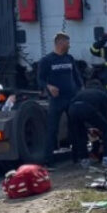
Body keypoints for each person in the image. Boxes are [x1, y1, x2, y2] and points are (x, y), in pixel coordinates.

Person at [38, 32, 83, 164]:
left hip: (71, 98)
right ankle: (49, 160)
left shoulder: (69, 58)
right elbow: (40, 79)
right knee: (52, 129)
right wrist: (49, 87)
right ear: (60, 43)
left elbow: (77, 76)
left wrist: (81, 90)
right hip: (57, 100)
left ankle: (77, 157)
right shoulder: (47, 60)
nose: (69, 45)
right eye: (67, 43)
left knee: (75, 127)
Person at [68, 85, 107, 168]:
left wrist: (91, 128)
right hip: (86, 107)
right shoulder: (104, 96)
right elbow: (103, 116)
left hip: (72, 109)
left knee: (80, 134)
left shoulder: (83, 93)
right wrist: (101, 129)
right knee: (106, 129)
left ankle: (84, 159)